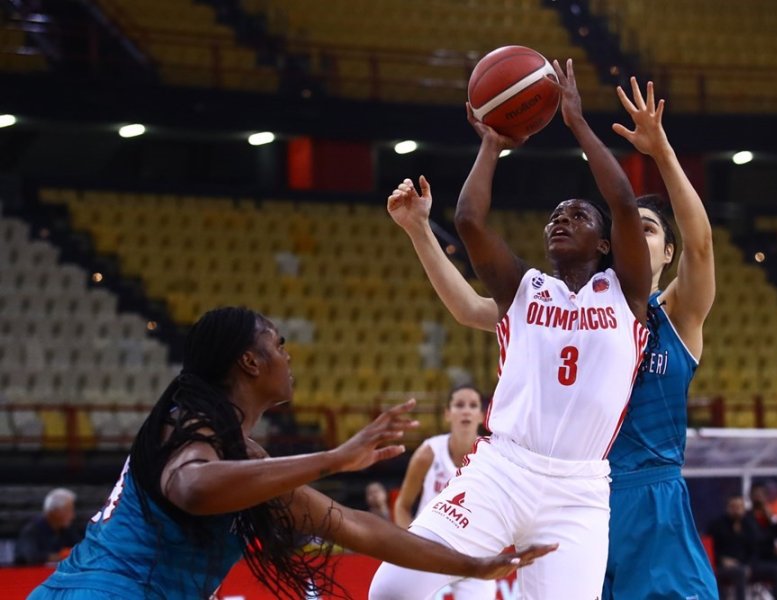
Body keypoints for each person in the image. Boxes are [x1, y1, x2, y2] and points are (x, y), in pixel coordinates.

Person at [382, 75, 717, 598]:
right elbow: (472, 302)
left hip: (644, 495)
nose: (641, 234)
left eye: (653, 231)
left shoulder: (672, 313)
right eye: (638, 228)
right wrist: (422, 231)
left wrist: (660, 150)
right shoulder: (546, 299)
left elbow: (696, 241)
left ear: (666, 253)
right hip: (569, 482)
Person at [28, 307, 555, 600]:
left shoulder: (241, 457)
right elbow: (191, 488)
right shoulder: (187, 429)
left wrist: (473, 563)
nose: (286, 355)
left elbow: (353, 526)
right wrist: (331, 458)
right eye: (277, 344)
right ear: (250, 363)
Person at [393, 385, 494, 599]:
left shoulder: (493, 456)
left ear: (481, 415)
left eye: (473, 405)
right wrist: (411, 545)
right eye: (459, 405)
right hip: (430, 549)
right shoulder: (428, 453)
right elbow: (402, 505)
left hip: (473, 552)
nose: (466, 410)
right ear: (447, 414)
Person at [15, 488, 81, 566]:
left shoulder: (67, 530)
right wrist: (60, 556)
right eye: (68, 510)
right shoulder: (33, 530)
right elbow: (29, 556)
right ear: (55, 511)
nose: (72, 516)